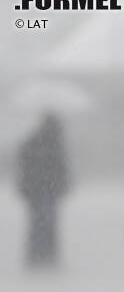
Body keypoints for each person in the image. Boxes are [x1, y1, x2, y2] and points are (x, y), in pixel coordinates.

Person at [16, 112, 70, 267]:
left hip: (36, 190)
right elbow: (61, 169)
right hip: (46, 190)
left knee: (37, 222)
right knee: (47, 221)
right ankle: (46, 253)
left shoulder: (32, 142)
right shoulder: (54, 144)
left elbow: (23, 165)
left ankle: (37, 253)